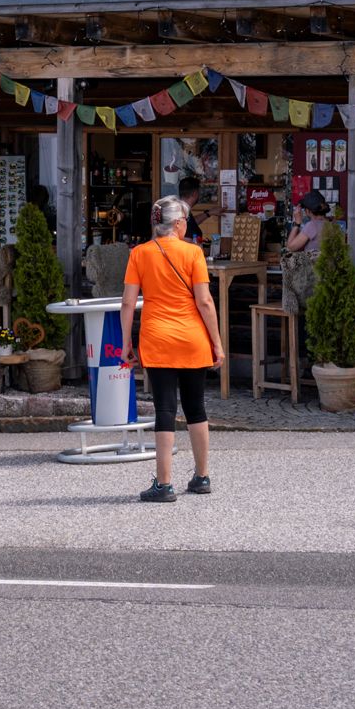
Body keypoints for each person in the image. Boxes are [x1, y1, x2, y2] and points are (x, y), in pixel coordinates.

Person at [123, 195, 223, 502]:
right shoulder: (193, 253)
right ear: (178, 223)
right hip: (192, 339)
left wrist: (127, 341)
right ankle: (202, 476)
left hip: (157, 338)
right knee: (196, 408)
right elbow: (205, 301)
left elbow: (128, 302)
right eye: (185, 222)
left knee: (165, 409)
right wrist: (217, 343)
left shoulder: (139, 254)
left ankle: (164, 484)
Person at [175, 175, 204, 243]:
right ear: (195, 193)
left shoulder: (181, 210)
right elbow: (185, 241)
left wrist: (209, 213)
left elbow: (192, 224)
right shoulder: (182, 213)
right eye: (199, 192)